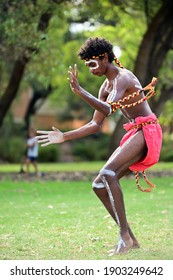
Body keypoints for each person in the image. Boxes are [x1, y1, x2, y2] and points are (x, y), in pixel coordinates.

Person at [36, 37, 162, 254]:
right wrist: (65, 136)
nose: (90, 69)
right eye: (87, 66)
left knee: (108, 173)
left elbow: (109, 109)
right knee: (99, 185)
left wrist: (80, 92)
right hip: (136, 131)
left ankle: (124, 237)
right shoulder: (106, 84)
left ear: (105, 58)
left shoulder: (123, 77)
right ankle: (130, 238)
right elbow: (95, 124)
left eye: (93, 64)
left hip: (147, 130)